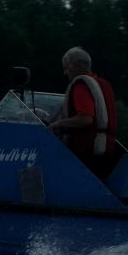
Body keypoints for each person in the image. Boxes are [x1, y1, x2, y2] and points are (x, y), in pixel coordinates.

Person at [49, 46, 118, 174]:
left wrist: (58, 124)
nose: (65, 73)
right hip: (107, 150)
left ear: (78, 66)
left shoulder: (81, 85)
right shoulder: (104, 84)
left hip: (86, 152)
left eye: (66, 67)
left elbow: (86, 118)